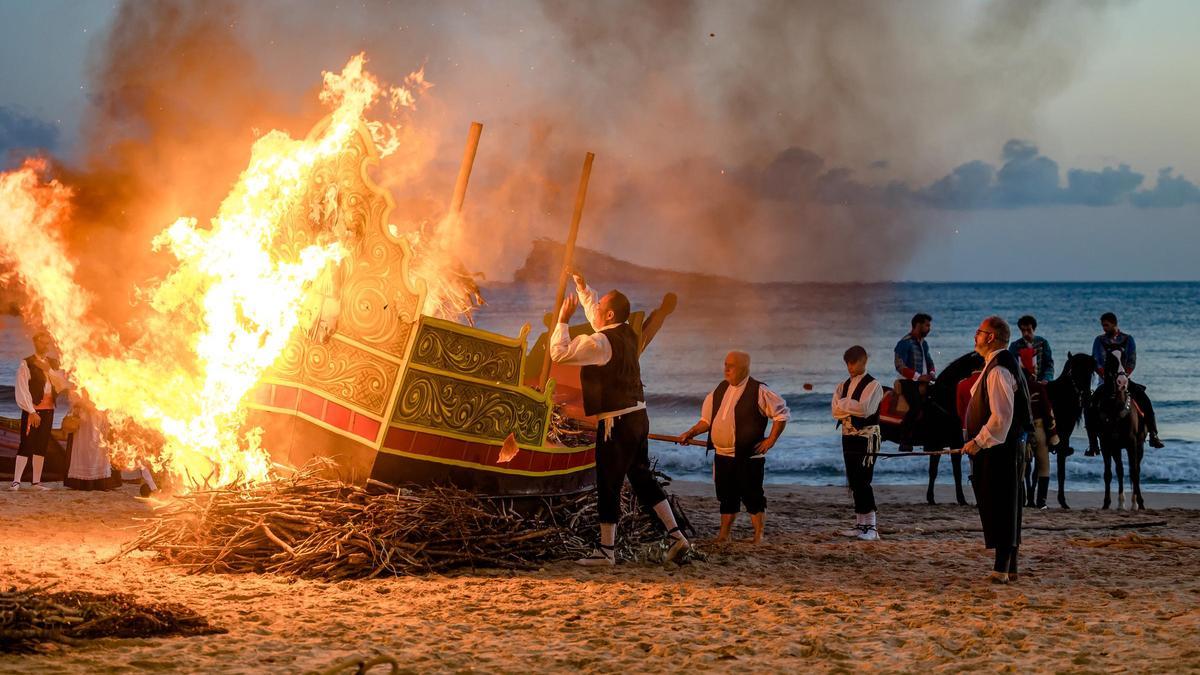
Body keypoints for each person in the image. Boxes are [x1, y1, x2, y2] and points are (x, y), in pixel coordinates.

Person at [552, 272, 692, 566]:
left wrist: (563, 320)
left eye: (600, 303)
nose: (596, 307)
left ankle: (606, 551)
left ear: (610, 313)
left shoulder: (601, 343)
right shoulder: (627, 332)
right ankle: (677, 536)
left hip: (616, 423)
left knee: (609, 483)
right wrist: (582, 287)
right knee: (642, 479)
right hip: (639, 417)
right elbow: (597, 317)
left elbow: (560, 354)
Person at [676, 351, 789, 544]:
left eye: (732, 365)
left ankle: (758, 535)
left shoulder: (759, 390)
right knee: (726, 496)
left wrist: (770, 441)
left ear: (744, 368)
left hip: (748, 456)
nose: (726, 369)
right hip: (722, 455)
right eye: (725, 364)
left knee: (752, 495)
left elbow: (781, 415)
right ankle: (724, 536)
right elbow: (706, 420)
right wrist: (691, 432)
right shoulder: (720, 389)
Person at [961, 316, 1033, 584]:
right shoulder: (998, 363)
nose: (975, 336)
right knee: (1007, 504)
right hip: (1002, 448)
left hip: (1000, 449)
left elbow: (1001, 417)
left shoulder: (1000, 368)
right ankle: (1009, 567)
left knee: (1001, 505)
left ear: (991, 337)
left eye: (979, 332)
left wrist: (977, 441)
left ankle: (1001, 568)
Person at [830, 346, 884, 540]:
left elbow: (864, 409)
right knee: (853, 480)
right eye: (848, 363)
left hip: (866, 438)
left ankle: (872, 527)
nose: (850, 367)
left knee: (863, 480)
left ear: (864, 362)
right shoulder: (843, 385)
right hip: (848, 436)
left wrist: (844, 405)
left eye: (854, 363)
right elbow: (835, 411)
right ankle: (861, 525)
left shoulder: (874, 385)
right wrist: (847, 407)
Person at [1090, 312, 1163, 449]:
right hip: (1105, 381)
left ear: (1114, 323)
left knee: (1144, 400)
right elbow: (1097, 361)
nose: (1104, 328)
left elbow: (1131, 360)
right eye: (1103, 326)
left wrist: (1123, 375)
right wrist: (1107, 378)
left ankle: (1153, 434)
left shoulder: (1128, 339)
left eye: (1106, 325)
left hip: (1124, 378)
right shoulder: (1099, 340)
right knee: (1091, 406)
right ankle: (1093, 442)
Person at [12, 331, 67, 491]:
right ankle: (16, 481)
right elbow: (22, 389)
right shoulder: (26, 363)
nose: (46, 345)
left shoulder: (53, 363)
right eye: (42, 342)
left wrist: (48, 370)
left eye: (47, 343)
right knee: (26, 444)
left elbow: (61, 384)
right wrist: (31, 411)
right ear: (35, 343)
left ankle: (36, 482)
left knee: (41, 446)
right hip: (33, 412)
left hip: (49, 411)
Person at [1017, 348, 1060, 509]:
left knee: (1021, 469)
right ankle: (1041, 502)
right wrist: (1053, 435)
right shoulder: (1038, 387)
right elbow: (1048, 413)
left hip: (1022, 432)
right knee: (1043, 466)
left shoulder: (1016, 388)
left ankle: (1021, 500)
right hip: (1040, 429)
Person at [63, 389, 121, 491]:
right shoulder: (78, 379)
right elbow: (73, 396)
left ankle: (100, 481)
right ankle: (83, 482)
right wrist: (84, 404)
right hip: (84, 419)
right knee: (84, 447)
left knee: (100, 447)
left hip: (99, 417)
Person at [894, 313, 935, 450]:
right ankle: (904, 440)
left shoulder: (924, 344)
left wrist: (932, 373)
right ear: (918, 325)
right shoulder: (904, 342)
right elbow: (899, 366)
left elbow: (929, 362)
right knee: (915, 407)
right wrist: (919, 377)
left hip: (922, 381)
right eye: (927, 325)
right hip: (908, 382)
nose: (929, 328)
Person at [1008, 315, 1054, 385]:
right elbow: (1011, 368)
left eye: (1029, 330)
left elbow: (1049, 365)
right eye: (1023, 330)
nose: (1026, 333)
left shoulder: (1043, 343)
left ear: (1034, 329)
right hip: (1022, 384)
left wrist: (1046, 379)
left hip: (1041, 383)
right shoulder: (1014, 346)